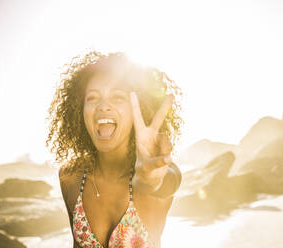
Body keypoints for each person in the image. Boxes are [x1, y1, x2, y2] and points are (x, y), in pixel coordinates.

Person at [46, 51, 183, 248]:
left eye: (118, 97)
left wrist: (148, 180)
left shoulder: (158, 171)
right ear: (79, 110)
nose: (103, 106)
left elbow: (165, 182)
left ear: (141, 109)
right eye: (92, 98)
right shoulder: (70, 177)